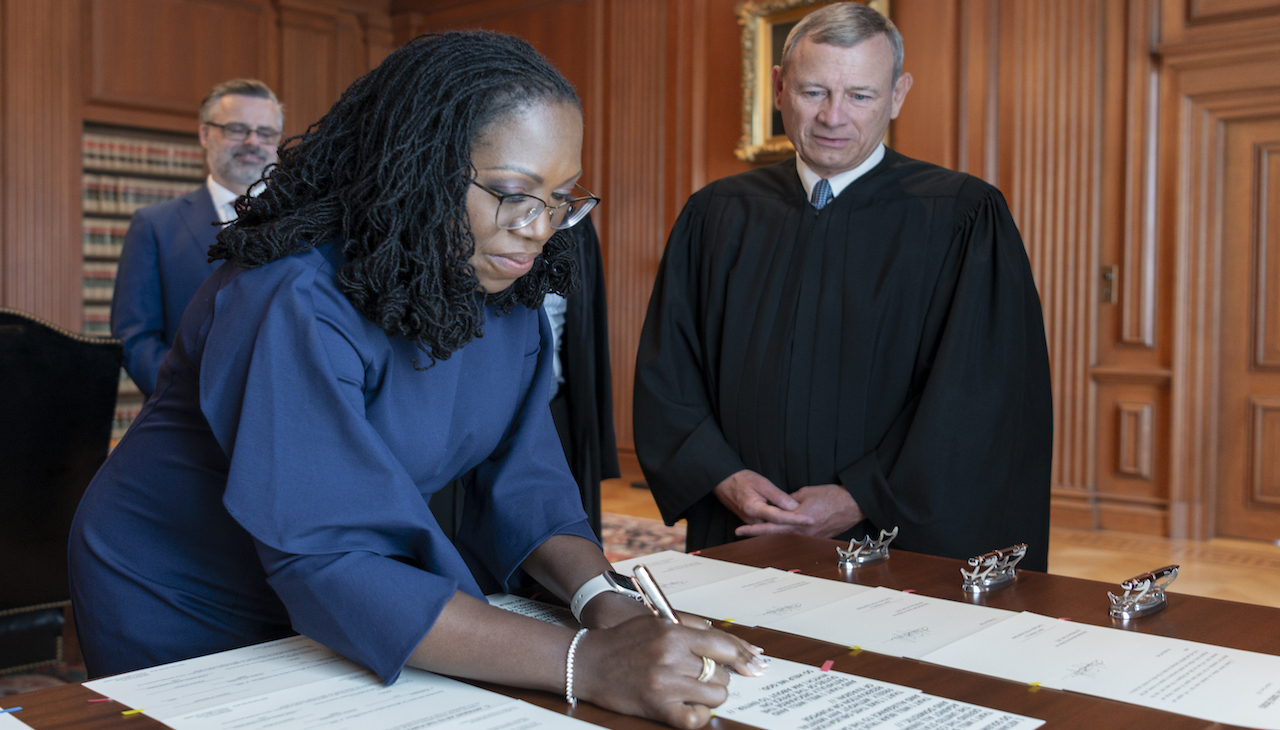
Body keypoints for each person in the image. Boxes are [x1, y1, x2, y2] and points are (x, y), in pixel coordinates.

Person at [70, 31, 764, 730]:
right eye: (515, 193)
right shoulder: (293, 298)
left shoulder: (503, 291)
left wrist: (604, 604)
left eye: (561, 199)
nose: (537, 228)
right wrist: (590, 663)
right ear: (425, 168)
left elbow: (526, 480)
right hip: (184, 586)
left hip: (348, 586)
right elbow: (329, 558)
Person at [633, 2, 1053, 571]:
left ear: (898, 95)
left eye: (860, 95)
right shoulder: (716, 213)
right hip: (740, 523)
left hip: (894, 537)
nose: (834, 117)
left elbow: (980, 397)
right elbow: (670, 372)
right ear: (779, 88)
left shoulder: (962, 216)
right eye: (813, 92)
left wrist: (863, 496)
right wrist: (723, 477)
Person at [111, 79, 284, 397]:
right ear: (205, 134)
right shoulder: (155, 225)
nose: (253, 141)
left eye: (266, 133)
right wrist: (187, 398)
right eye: (236, 129)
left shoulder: (303, 224)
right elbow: (134, 336)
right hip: (188, 424)